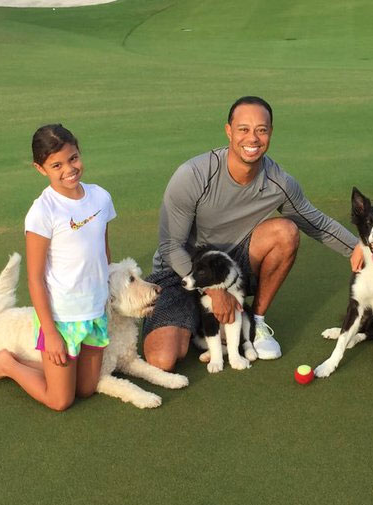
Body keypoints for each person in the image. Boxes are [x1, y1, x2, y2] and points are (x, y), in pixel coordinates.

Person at [142, 96, 360, 371]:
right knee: (162, 359)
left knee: (286, 231)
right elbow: (171, 246)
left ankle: (255, 322)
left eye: (262, 129)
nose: (253, 138)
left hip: (229, 271)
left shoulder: (278, 181)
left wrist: (361, 249)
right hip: (179, 272)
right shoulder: (193, 174)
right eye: (243, 129)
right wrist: (213, 291)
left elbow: (314, 222)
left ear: (270, 133)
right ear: (229, 131)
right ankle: (202, 315)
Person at [0, 124, 116, 410]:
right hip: (62, 319)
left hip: (95, 311)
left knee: (87, 389)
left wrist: (106, 297)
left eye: (73, 158)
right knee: (60, 399)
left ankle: (40, 365)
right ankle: (9, 365)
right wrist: (51, 333)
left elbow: (103, 251)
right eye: (56, 165)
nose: (69, 169)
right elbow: (35, 279)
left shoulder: (100, 197)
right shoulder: (43, 211)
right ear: (41, 169)